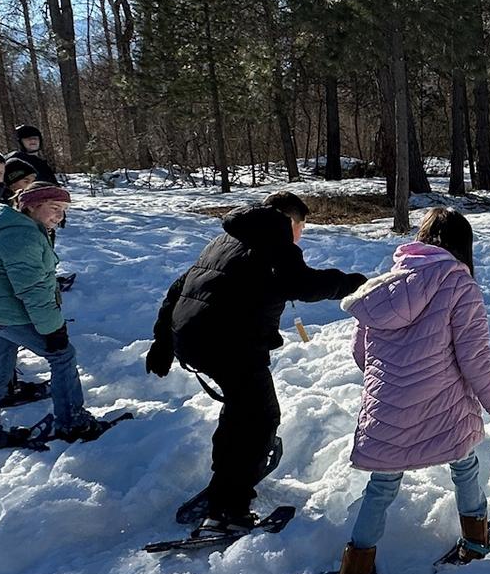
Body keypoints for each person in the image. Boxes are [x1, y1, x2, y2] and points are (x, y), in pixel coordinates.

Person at [319, 208, 490, 574]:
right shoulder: (459, 284)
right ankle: (476, 541)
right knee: (464, 464)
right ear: (463, 246)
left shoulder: (383, 287)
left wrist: (396, 381)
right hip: (442, 407)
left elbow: (362, 355)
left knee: (382, 485)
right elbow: (475, 359)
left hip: (387, 408)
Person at [147, 192, 367, 532]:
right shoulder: (274, 232)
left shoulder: (228, 237)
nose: (300, 236)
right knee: (261, 417)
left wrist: (162, 342)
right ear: (291, 221)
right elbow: (303, 285)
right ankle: (228, 509)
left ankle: (226, 483)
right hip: (228, 342)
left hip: (192, 336)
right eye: (302, 228)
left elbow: (181, 287)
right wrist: (355, 285)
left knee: (241, 410)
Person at [0, 183, 109, 447]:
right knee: (62, 355)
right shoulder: (22, 236)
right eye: (54, 208)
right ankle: (72, 422)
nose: (60, 216)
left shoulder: (17, 228)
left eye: (64, 211)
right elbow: (32, 288)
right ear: (31, 205)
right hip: (7, 312)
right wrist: (53, 329)